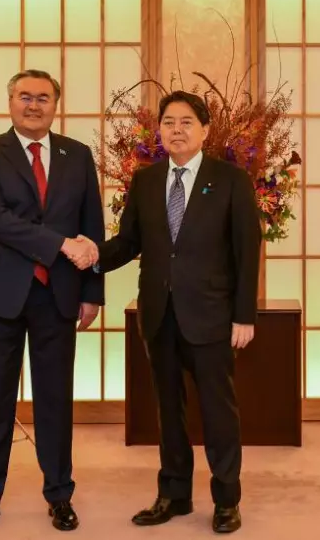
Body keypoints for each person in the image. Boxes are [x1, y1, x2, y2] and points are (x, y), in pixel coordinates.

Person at [93, 90, 262, 534]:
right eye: (168, 122)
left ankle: (226, 499)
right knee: (168, 411)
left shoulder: (230, 180)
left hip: (211, 315)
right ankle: (174, 494)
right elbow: (128, 242)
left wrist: (244, 315)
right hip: (158, 314)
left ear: (205, 130)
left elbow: (247, 252)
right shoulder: (146, 181)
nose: (177, 130)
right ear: (159, 131)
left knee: (218, 412)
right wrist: (92, 256)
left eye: (187, 122)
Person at [0, 69, 102, 534]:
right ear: (10, 102)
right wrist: (59, 245)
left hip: (59, 293)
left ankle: (60, 495)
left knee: (55, 400)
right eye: (25, 96)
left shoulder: (77, 155)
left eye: (43, 97)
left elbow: (91, 226)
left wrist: (92, 292)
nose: (33, 105)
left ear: (56, 104)